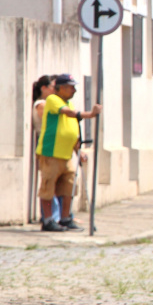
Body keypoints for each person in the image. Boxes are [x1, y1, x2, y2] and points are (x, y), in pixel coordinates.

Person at [35, 74, 102, 232]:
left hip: (66, 155)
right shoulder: (53, 100)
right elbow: (68, 114)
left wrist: (78, 150)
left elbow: (71, 130)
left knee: (68, 188)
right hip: (51, 153)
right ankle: (48, 219)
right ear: (61, 87)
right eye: (71, 87)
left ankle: (65, 218)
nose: (74, 90)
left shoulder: (69, 103)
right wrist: (89, 115)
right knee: (48, 187)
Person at [33, 75, 63, 223]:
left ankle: (59, 216)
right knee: (48, 184)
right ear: (44, 88)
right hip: (48, 148)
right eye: (52, 86)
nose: (54, 90)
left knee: (57, 184)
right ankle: (49, 217)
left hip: (56, 148)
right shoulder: (42, 104)